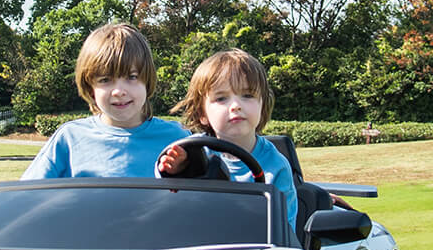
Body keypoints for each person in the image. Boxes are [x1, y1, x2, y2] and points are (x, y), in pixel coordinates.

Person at [21, 23, 190, 178]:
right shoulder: (69, 139)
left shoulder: (178, 139)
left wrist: (185, 168)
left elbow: (204, 197)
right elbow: (28, 197)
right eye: (105, 80)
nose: (119, 91)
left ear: (147, 80)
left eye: (132, 77)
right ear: (90, 88)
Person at [158, 49, 298, 230]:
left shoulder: (276, 166)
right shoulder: (193, 153)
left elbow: (285, 232)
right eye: (221, 98)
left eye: (247, 95)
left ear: (262, 105)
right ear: (202, 114)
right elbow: (166, 203)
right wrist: (177, 169)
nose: (236, 106)